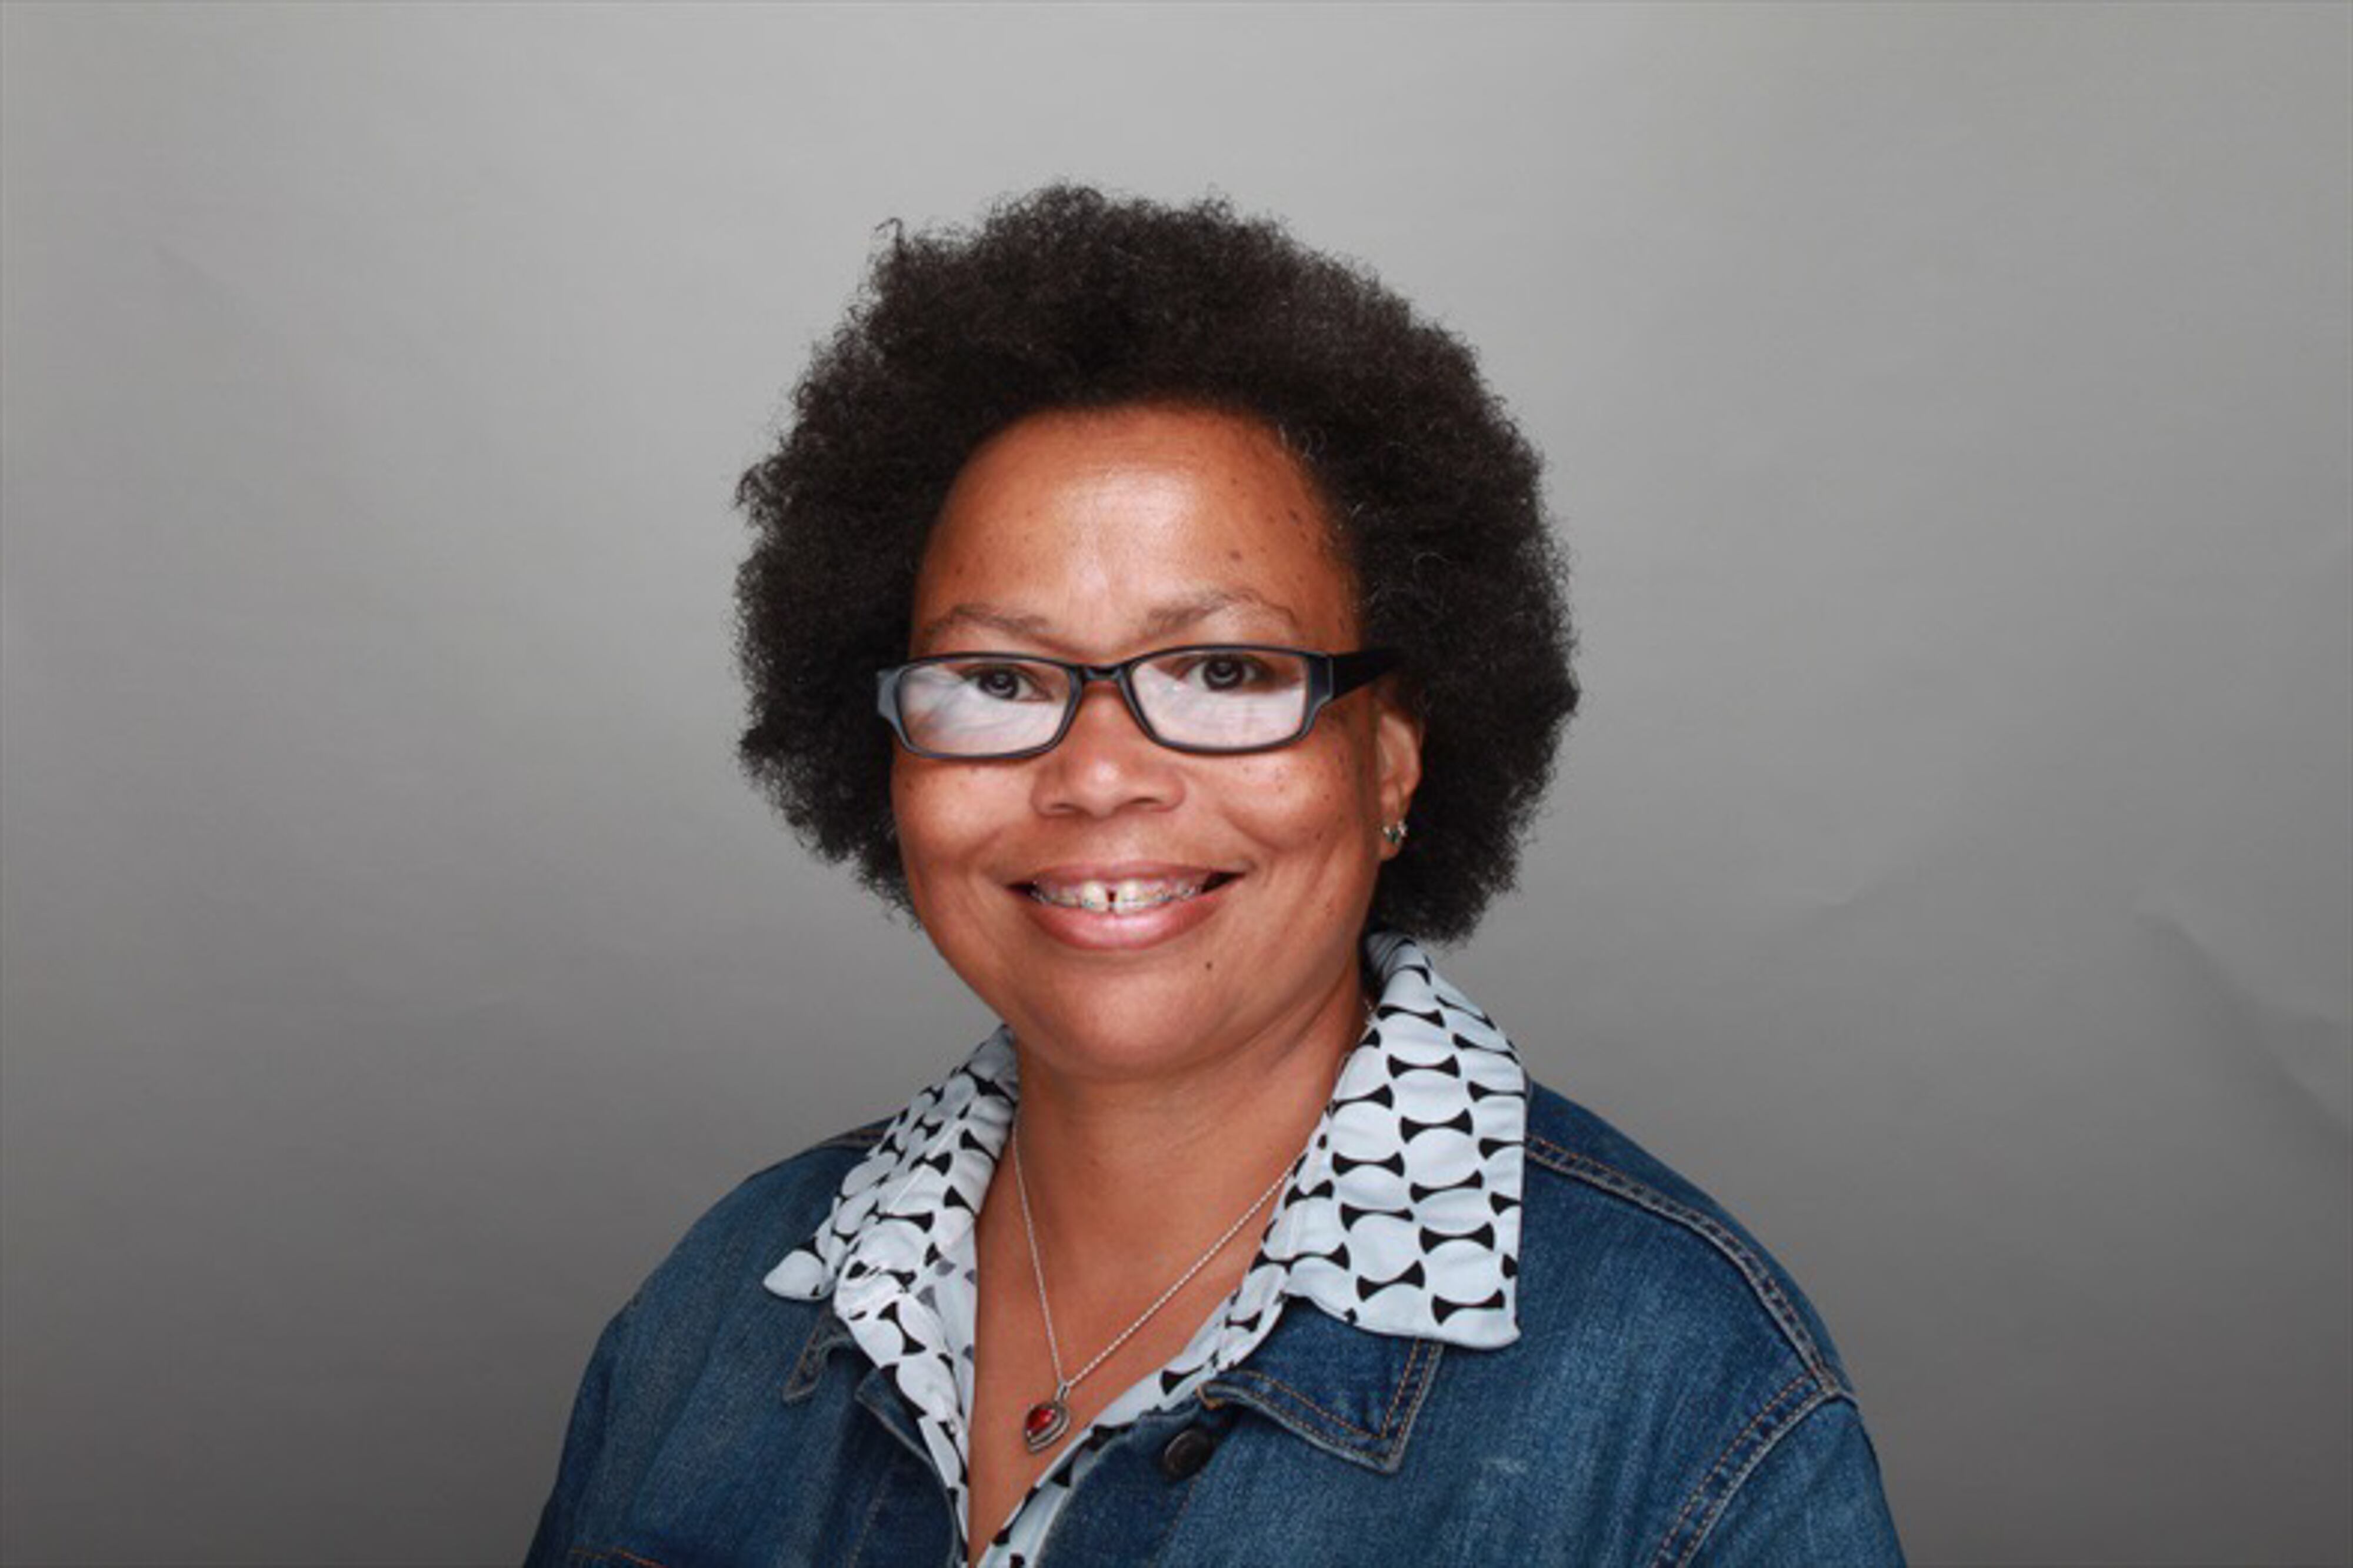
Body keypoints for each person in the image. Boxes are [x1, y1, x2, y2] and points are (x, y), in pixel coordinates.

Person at [525, 186, 1905, 1566]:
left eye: (1224, 671)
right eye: (999, 678)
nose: (1099, 773)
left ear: (1391, 762)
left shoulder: (1692, 1404)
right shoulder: (719, 1308)